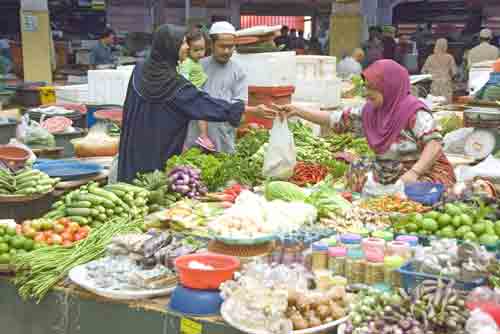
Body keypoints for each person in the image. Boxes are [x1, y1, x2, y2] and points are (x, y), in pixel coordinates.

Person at [117, 24, 276, 182]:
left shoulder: (140, 70)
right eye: (183, 43)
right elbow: (204, 104)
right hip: (156, 152)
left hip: (133, 146)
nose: (187, 47)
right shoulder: (174, 85)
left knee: (131, 186)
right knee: (149, 186)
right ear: (170, 46)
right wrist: (251, 110)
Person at [276, 60, 456, 190]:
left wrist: (415, 173)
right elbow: (334, 119)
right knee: (357, 170)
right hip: (392, 170)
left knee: (415, 193)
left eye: (372, 88)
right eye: (365, 87)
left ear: (389, 87)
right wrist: (297, 111)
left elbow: (434, 144)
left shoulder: (414, 112)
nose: (366, 93)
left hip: (425, 173)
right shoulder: (370, 111)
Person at [184, 21, 261, 153]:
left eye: (230, 47)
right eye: (222, 46)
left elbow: (239, 108)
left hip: (223, 141)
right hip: (195, 139)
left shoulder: (238, 72)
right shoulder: (196, 66)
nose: (226, 51)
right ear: (212, 45)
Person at [178, 30, 213, 150]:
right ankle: (203, 136)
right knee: (201, 114)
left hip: (197, 91)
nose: (200, 53)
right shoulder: (188, 63)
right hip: (193, 93)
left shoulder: (196, 62)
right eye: (196, 50)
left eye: (202, 49)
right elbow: (184, 78)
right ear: (188, 49)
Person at [421, 38, 457, 103]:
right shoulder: (449, 57)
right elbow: (454, 72)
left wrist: (431, 76)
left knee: (435, 105)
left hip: (434, 84)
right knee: (447, 106)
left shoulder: (430, 57)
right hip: (446, 85)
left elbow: (423, 72)